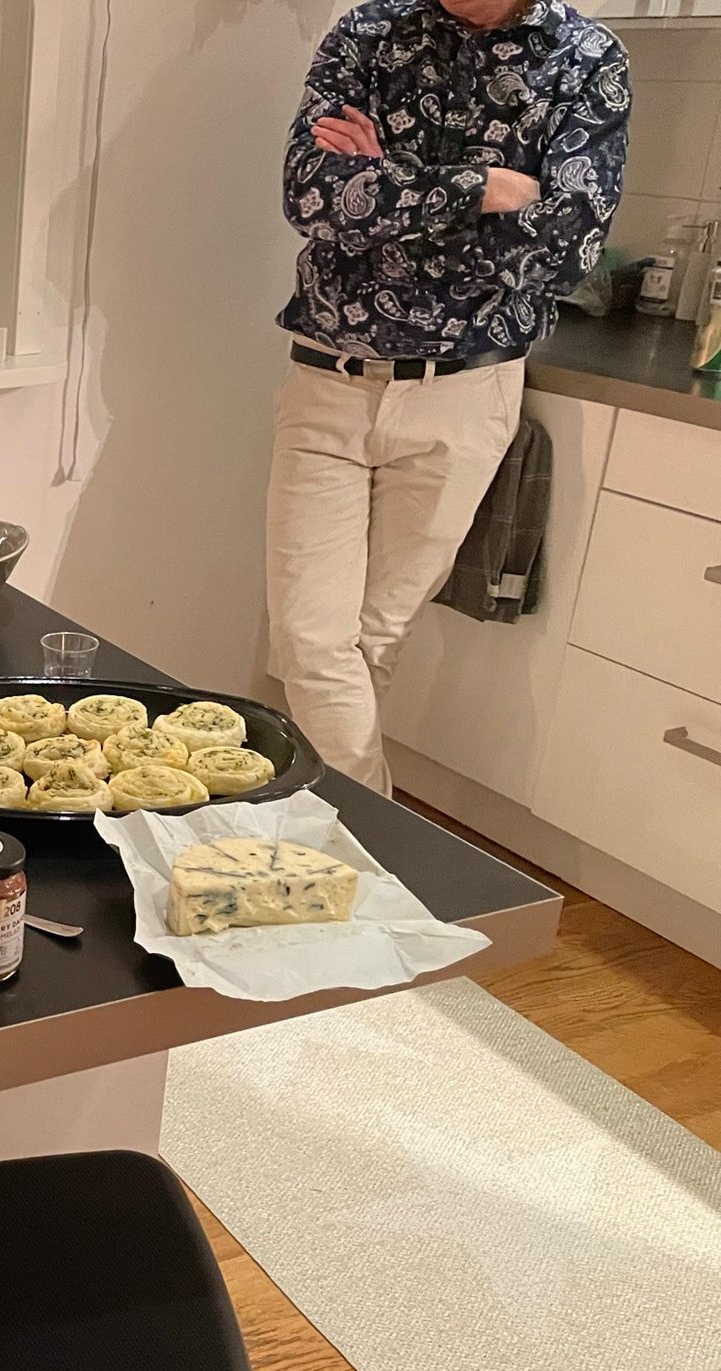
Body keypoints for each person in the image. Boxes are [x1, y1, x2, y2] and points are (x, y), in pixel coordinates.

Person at [266, 0, 628, 793]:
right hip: (328, 384)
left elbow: (564, 252)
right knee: (312, 642)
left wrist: (386, 188)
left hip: (465, 393)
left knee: (372, 641)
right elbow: (310, 197)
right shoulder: (370, 31)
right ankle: (371, 838)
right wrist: (483, 187)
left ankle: (333, 839)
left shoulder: (585, 57)